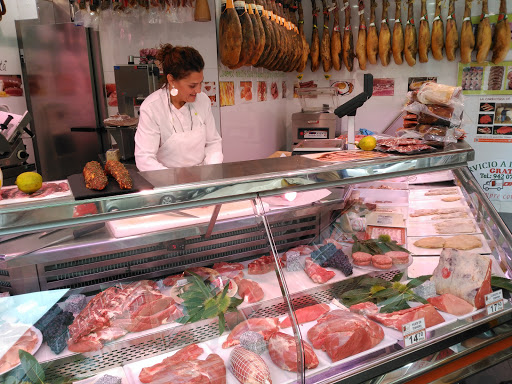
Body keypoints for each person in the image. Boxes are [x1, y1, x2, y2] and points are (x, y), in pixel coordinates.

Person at [135, 44, 223, 171]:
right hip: (168, 184)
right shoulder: (152, 108)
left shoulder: (203, 101)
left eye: (201, 83)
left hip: (203, 180)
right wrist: (176, 182)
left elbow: (213, 143)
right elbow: (145, 158)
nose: (198, 90)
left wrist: (209, 173)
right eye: (192, 86)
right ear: (171, 80)